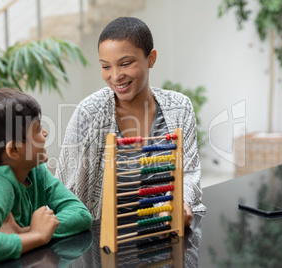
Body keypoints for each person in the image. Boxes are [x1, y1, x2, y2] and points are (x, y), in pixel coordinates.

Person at [56, 17, 206, 226]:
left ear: (151, 58)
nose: (115, 76)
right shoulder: (88, 113)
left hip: (167, 230)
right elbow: (64, 187)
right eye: (106, 66)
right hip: (107, 240)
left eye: (125, 64)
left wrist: (179, 202)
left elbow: (188, 173)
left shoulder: (180, 107)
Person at [0, 88, 92, 267]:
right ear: (14, 150)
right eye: (37, 129)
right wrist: (37, 235)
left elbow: (81, 215)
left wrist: (28, 232)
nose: (45, 134)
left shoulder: (35, 171)